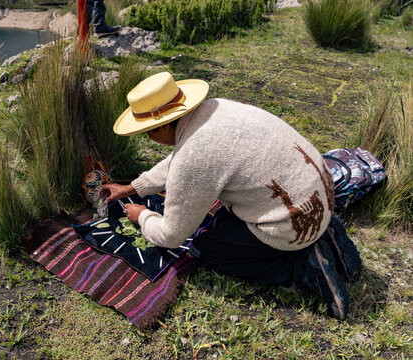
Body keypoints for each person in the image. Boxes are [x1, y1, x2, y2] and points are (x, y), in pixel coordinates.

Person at [101, 72, 362, 320]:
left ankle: (304, 267)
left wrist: (144, 215)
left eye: (147, 130)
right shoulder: (214, 109)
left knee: (205, 251)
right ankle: (326, 232)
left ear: (159, 128)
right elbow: (179, 160)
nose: (148, 137)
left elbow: (171, 236)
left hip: (293, 221)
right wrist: (132, 187)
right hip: (321, 196)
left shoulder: (194, 155)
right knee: (222, 225)